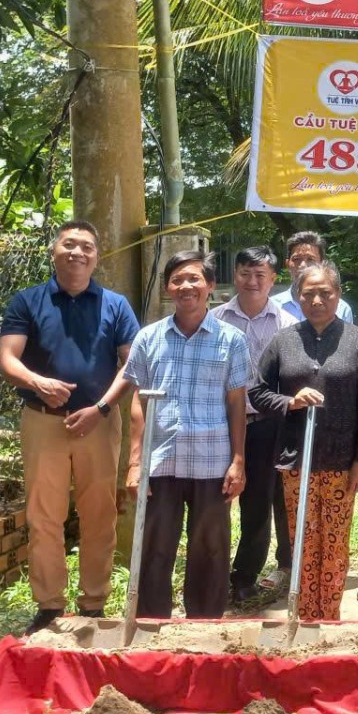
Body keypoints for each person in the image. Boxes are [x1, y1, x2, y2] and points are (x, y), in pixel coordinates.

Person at [0, 220, 140, 634]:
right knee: (44, 516)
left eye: (87, 247)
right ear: (54, 251)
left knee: (99, 515)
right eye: (69, 244)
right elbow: (8, 358)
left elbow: (132, 363)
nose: (77, 252)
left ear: (96, 257)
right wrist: (37, 382)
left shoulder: (115, 305)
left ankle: (93, 605)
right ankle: (49, 606)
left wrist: (101, 407)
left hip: (98, 423)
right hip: (43, 421)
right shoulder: (28, 301)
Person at [249, 261, 358, 621]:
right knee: (303, 541)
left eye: (325, 293)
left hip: (342, 461)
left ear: (338, 294)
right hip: (298, 459)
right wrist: (290, 401)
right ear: (298, 297)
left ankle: (329, 618)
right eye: (309, 294)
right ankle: (305, 617)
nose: (317, 300)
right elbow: (257, 392)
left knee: (334, 543)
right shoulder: (284, 340)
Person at [123, 251, 251, 619]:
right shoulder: (149, 338)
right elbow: (138, 402)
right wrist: (135, 462)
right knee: (154, 546)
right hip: (161, 461)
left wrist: (238, 461)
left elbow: (236, 403)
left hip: (212, 461)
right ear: (167, 287)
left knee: (210, 548)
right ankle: (151, 625)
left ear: (210, 285)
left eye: (194, 278)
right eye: (177, 279)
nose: (186, 286)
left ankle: (204, 624)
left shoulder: (232, 339)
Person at [214, 245, 297, 602]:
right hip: (218, 423)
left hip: (265, 424)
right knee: (213, 501)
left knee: (258, 503)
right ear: (235, 275)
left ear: (273, 278)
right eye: (245, 273)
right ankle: (212, 574)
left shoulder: (287, 324)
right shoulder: (215, 319)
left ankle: (244, 577)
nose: (252, 281)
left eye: (260, 274)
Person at [271, 231, 354, 324]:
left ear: (321, 264)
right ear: (287, 264)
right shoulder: (273, 307)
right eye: (296, 259)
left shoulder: (341, 309)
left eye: (310, 259)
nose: (303, 265)